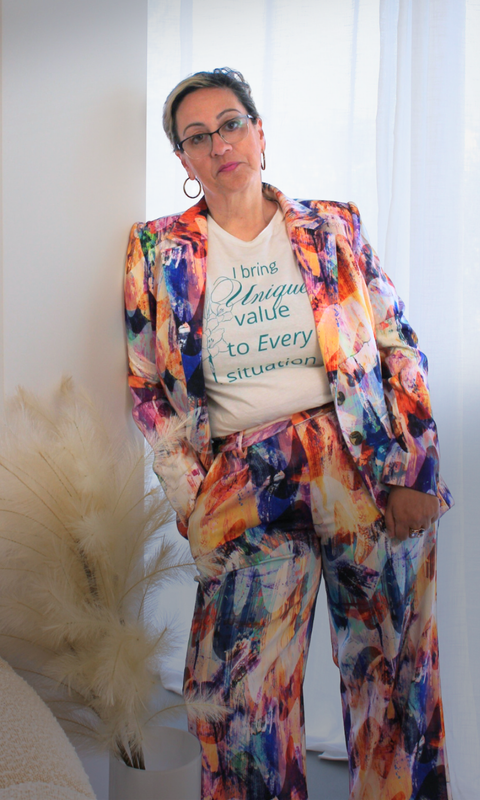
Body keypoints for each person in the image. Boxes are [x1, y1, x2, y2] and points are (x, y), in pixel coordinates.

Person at [124, 68, 453, 800]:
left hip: (361, 462)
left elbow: (397, 342)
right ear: (183, 160)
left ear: (261, 134)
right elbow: (146, 386)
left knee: (392, 678)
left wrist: (415, 470)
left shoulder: (331, 225)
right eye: (197, 136)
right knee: (240, 702)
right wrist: (193, 500)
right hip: (242, 478)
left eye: (231, 123)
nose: (219, 144)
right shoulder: (156, 251)